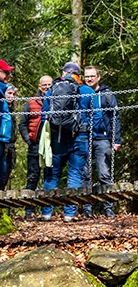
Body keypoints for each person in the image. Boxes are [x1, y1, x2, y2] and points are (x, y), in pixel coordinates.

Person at [40, 62, 100, 222]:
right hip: (80, 137)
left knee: (52, 176)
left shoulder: (52, 90)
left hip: (57, 138)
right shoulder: (87, 91)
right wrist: (89, 133)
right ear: (78, 75)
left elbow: (44, 115)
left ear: (63, 73)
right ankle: (69, 214)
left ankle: (46, 213)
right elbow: (98, 117)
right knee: (74, 175)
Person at [81, 66, 121, 218]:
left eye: (92, 76)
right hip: (84, 137)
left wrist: (116, 140)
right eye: (87, 76)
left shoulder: (106, 95)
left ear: (98, 77)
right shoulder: (81, 93)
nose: (89, 79)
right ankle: (87, 209)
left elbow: (115, 118)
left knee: (104, 173)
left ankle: (108, 207)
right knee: (85, 174)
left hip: (103, 138)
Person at [19, 75, 52, 218]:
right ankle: (29, 210)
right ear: (39, 86)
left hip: (51, 145)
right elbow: (22, 123)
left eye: (49, 85)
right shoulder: (32, 102)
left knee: (49, 177)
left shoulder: (56, 102)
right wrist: (28, 139)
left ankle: (46, 210)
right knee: (32, 177)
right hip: (35, 143)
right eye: (44, 85)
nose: (46, 87)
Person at [0, 85, 18, 190]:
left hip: (10, 145)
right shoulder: (2, 107)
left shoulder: (12, 110)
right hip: (2, 143)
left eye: (14, 94)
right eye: (9, 93)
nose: (12, 96)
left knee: (5, 177)